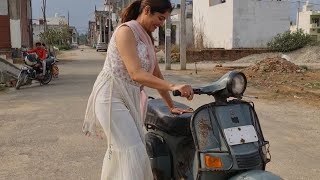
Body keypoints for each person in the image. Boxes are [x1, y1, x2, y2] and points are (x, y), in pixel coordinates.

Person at [82, 0, 194, 179]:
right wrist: (174, 86)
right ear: (147, 10)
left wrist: (171, 105)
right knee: (132, 150)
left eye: (164, 20)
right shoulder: (125, 31)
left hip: (129, 97)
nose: (161, 24)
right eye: (160, 18)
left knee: (128, 153)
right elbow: (136, 74)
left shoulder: (147, 38)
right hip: (111, 96)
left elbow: (156, 74)